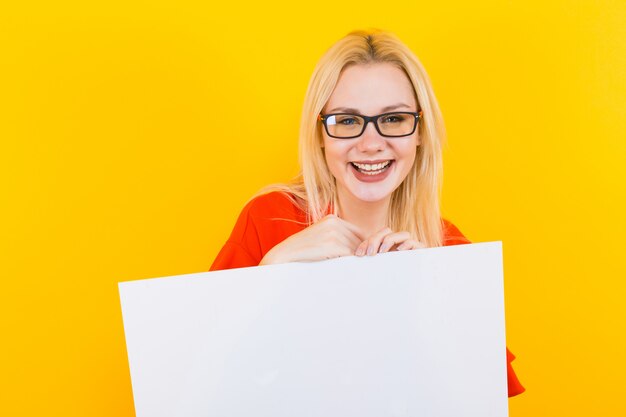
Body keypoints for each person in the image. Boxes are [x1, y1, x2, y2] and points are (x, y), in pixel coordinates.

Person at [210, 29, 525, 397]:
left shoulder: (448, 251)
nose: (372, 144)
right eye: (346, 121)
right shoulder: (269, 219)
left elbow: (480, 392)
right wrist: (271, 271)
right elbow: (200, 368)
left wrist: (438, 303)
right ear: (320, 135)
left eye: (393, 119)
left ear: (420, 132)